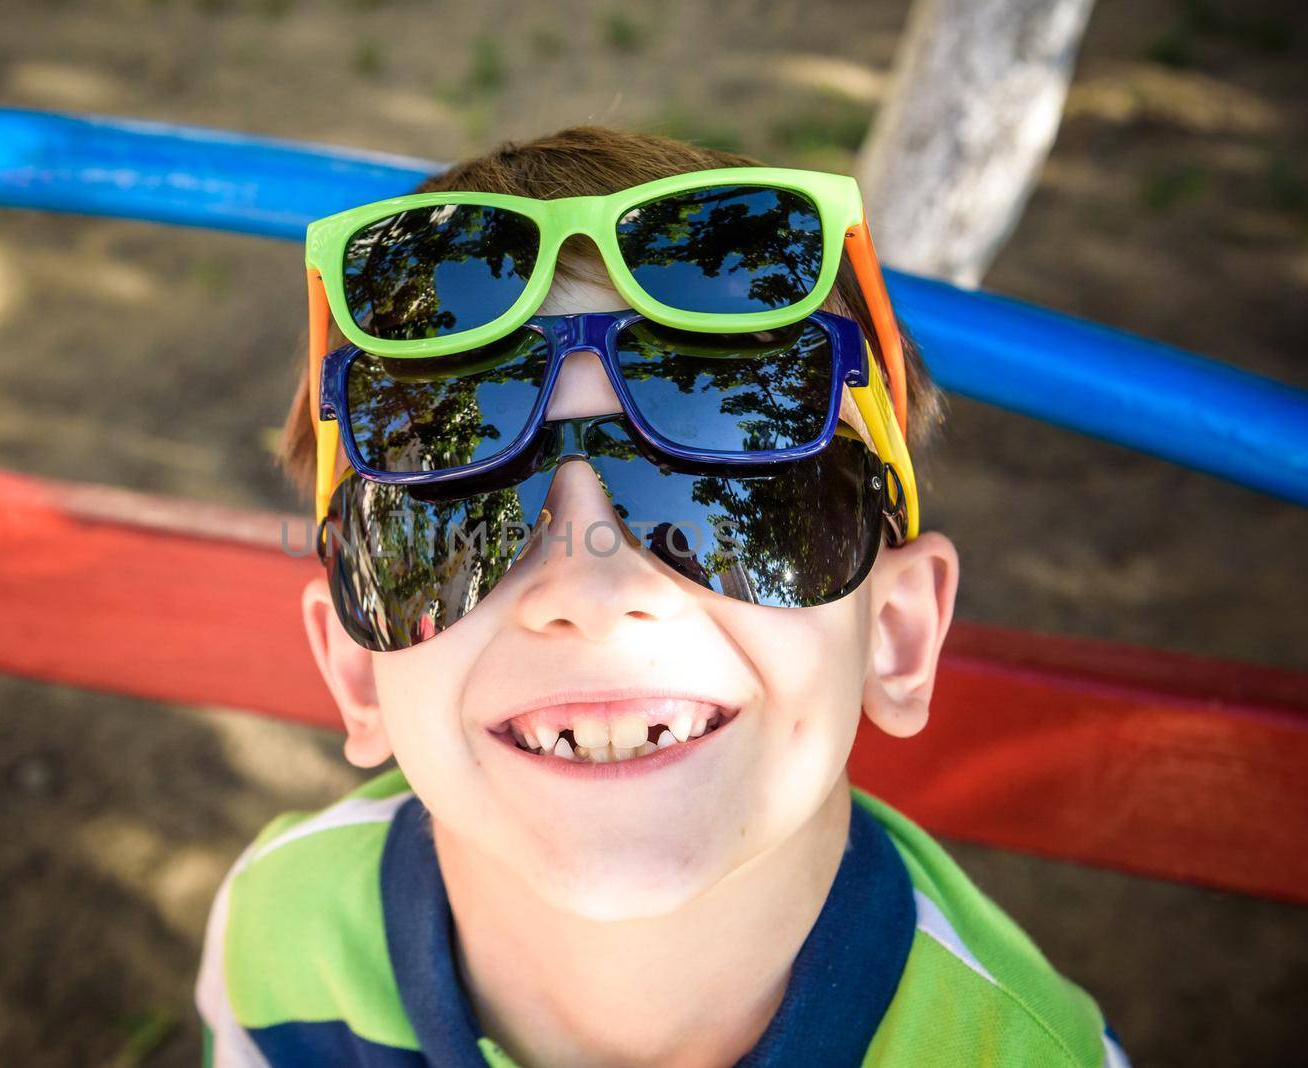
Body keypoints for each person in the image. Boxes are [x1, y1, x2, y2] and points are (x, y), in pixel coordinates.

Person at [196, 125, 1130, 1067]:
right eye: (457, 521)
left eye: (728, 506)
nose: (595, 596)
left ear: (895, 635)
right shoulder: (276, 945)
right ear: (358, 666)